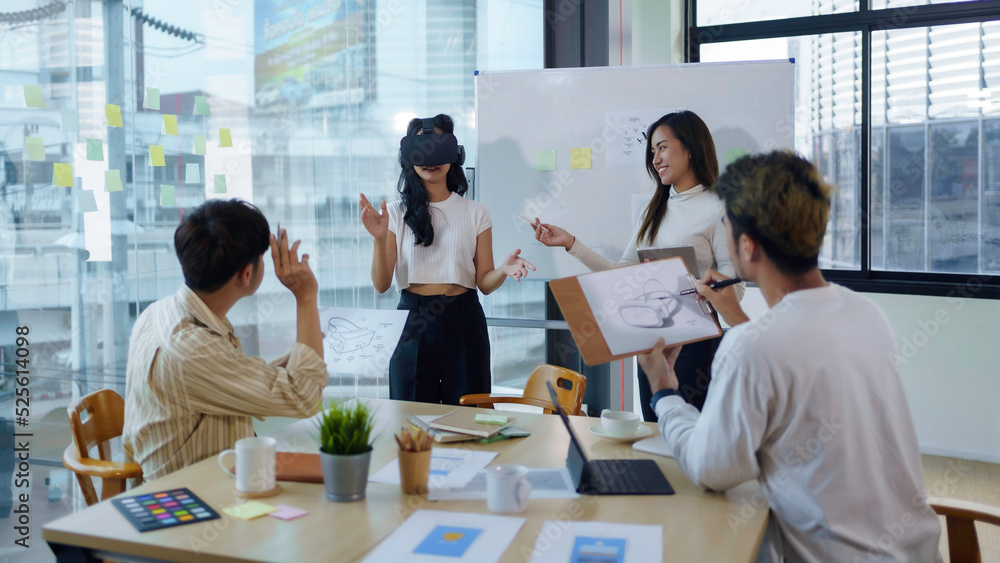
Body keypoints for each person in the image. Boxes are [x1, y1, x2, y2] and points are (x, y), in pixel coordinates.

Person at [638, 150, 942, 562]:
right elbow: (786, 358)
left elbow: (711, 470)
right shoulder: (865, 314)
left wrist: (664, 391)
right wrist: (733, 313)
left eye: (725, 225)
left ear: (747, 246)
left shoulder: (753, 347)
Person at [533, 110, 743, 418]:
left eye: (662, 147)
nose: (656, 158)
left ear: (690, 147)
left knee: (691, 439)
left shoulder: (718, 207)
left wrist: (697, 287)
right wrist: (571, 244)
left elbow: (735, 289)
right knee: (655, 432)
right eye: (653, 151)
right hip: (650, 345)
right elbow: (623, 274)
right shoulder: (652, 209)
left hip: (696, 347)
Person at [123, 199, 326, 482]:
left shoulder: (160, 312)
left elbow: (230, 374)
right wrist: (305, 296)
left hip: (214, 475)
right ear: (246, 274)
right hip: (197, 497)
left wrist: (302, 350)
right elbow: (304, 397)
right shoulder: (193, 350)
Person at [359, 114, 534, 405]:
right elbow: (380, 284)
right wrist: (379, 239)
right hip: (412, 319)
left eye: (439, 147)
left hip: (463, 317)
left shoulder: (475, 212)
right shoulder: (394, 212)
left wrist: (503, 269)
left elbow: (485, 284)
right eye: (421, 149)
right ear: (408, 157)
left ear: (455, 154)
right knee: (411, 415)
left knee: (469, 413)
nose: (431, 158)